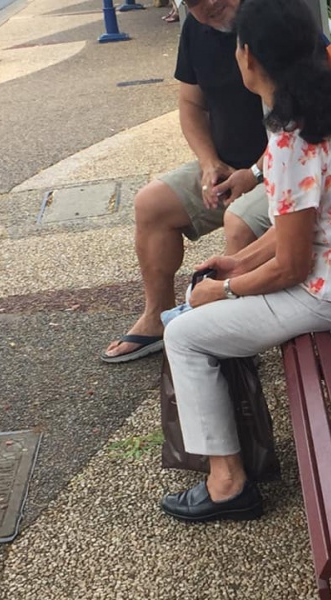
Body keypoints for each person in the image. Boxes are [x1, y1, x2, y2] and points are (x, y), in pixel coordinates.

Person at [159, 0, 331, 522]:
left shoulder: (289, 139)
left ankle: (227, 484)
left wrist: (224, 290)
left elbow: (291, 266)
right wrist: (238, 263)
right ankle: (231, 461)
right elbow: (300, 228)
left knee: (184, 336)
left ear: (249, 57)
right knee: (205, 305)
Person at [101, 0, 270, 363]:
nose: (209, 4)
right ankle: (156, 317)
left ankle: (233, 337)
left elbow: (301, 120)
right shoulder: (196, 29)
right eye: (192, 2)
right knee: (151, 204)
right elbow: (191, 104)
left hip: (282, 169)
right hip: (229, 166)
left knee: (238, 219)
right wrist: (209, 163)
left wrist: (255, 174)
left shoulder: (272, 16)